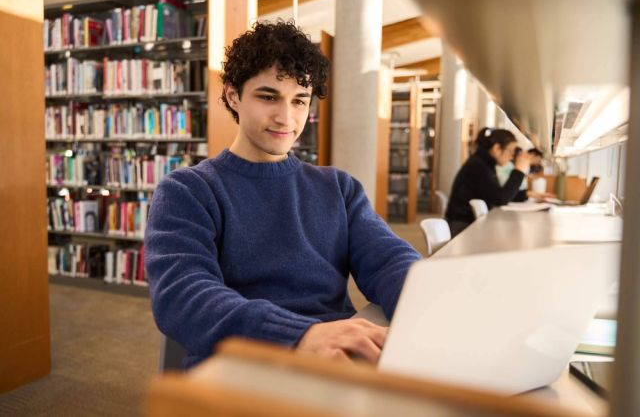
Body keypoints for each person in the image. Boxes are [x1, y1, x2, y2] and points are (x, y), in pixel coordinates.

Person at [144, 20, 421, 369]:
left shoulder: (338, 187)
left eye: (299, 100)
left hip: (334, 357)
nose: (285, 118)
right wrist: (300, 336)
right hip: (242, 366)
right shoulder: (187, 190)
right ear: (233, 95)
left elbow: (389, 259)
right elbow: (182, 297)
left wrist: (425, 304)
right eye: (268, 96)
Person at [445, 127, 531, 237]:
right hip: (462, 226)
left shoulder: (484, 163)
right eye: (510, 151)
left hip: (468, 222)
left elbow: (499, 194)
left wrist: (524, 194)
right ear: (496, 148)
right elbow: (500, 199)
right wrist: (519, 171)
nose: (511, 157)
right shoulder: (479, 166)